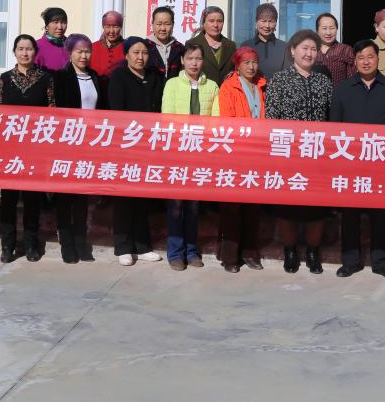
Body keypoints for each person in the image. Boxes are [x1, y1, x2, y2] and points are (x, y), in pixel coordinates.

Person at [330, 39, 385, 280]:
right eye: (361, 57)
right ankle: (350, 261)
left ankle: (381, 262)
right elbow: (334, 128)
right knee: (350, 213)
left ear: (378, 59)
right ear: (354, 61)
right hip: (350, 162)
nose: (365, 61)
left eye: (370, 56)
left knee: (381, 213)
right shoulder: (342, 89)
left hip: (382, 162)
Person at [265, 30, 334, 274]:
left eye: (313, 49)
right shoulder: (279, 80)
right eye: (304, 48)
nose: (309, 53)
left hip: (317, 157)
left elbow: (331, 120)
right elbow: (271, 119)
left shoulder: (324, 82)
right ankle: (290, 250)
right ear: (293, 50)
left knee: (316, 208)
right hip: (288, 156)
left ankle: (314, 251)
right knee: (288, 207)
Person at [0, 34, 56, 263]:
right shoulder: (5, 78)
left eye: (29, 49)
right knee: (8, 198)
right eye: (20, 48)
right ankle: (7, 245)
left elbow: (52, 111)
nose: (25, 53)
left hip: (35, 148)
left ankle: (30, 244)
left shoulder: (45, 78)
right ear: (14, 51)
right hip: (9, 148)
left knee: (32, 198)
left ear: (35, 52)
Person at [107, 37, 166, 266]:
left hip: (148, 146)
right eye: (135, 52)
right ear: (126, 55)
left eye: (144, 53)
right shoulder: (119, 77)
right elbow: (116, 112)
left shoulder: (154, 77)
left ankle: (142, 246)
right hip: (126, 146)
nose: (140, 57)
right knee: (124, 198)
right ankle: (123, 246)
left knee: (142, 197)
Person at [160, 43, 219, 271]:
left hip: (199, 154)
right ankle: (175, 253)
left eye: (198, 58)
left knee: (194, 206)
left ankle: (192, 251)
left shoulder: (212, 86)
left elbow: (216, 121)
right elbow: (167, 118)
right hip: (177, 153)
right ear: (182, 60)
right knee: (175, 205)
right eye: (190, 58)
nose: (194, 63)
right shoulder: (172, 84)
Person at [52, 34, 106, 264]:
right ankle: (67, 244)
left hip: (89, 145)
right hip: (68, 143)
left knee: (83, 197)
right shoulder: (61, 77)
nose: (84, 56)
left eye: (87, 51)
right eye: (79, 51)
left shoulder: (94, 76)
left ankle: (81, 242)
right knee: (65, 196)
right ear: (70, 52)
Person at [212, 46, 267, 273]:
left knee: (253, 207)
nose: (251, 67)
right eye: (246, 63)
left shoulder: (262, 84)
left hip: (257, 154)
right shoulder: (228, 87)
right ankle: (230, 256)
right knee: (232, 207)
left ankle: (250, 252)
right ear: (237, 65)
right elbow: (227, 121)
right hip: (235, 154)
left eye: (254, 62)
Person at [186, 6, 236, 84]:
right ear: (203, 23)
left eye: (219, 21)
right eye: (211, 21)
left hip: (225, 89)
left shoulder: (231, 45)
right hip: (202, 88)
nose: (215, 25)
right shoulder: (192, 44)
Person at [240, 3, 290, 79]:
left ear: (276, 24)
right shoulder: (246, 46)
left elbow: (287, 75)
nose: (267, 25)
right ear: (256, 22)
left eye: (271, 21)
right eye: (263, 21)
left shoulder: (284, 47)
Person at [315, 12, 355, 85]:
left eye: (332, 28)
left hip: (340, 91)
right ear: (317, 30)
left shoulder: (346, 50)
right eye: (324, 28)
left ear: (337, 29)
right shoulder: (312, 50)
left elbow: (352, 78)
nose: (328, 32)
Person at [146, 5, 185, 79]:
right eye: (159, 24)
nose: (163, 28)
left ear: (173, 25)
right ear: (152, 24)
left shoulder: (180, 48)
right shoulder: (145, 46)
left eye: (167, 24)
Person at [90, 10, 126, 86]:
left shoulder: (127, 48)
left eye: (115, 26)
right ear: (103, 27)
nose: (111, 31)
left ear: (121, 27)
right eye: (108, 26)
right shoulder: (92, 47)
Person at [34, 6, 70, 71]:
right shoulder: (36, 47)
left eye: (63, 22)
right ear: (47, 26)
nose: (60, 27)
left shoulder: (71, 45)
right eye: (55, 22)